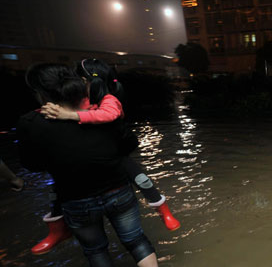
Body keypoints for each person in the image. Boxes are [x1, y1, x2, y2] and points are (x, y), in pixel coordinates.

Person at [18, 63, 166, 267]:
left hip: (76, 199)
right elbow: (129, 144)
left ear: (41, 93)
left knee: (95, 249)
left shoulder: (30, 123)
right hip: (118, 190)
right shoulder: (101, 112)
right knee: (135, 238)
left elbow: (31, 164)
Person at [30, 58, 180, 256]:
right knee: (59, 187)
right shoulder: (78, 99)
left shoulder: (109, 99)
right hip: (88, 156)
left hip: (114, 152)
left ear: (89, 80)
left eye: (79, 78)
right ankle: (57, 230)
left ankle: (164, 212)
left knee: (140, 178)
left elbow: (107, 115)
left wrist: (70, 115)